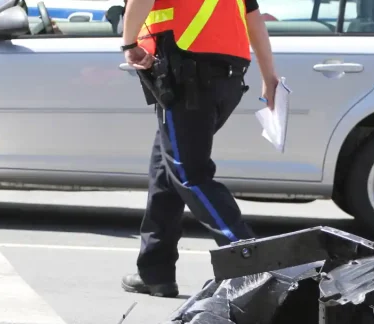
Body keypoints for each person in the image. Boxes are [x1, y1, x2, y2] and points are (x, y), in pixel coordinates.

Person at [118, 0, 278, 297]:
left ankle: (252, 264)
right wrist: (269, 76)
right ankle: (156, 272)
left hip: (187, 73)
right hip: (227, 77)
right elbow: (253, 18)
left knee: (189, 173)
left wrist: (128, 44)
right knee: (164, 170)